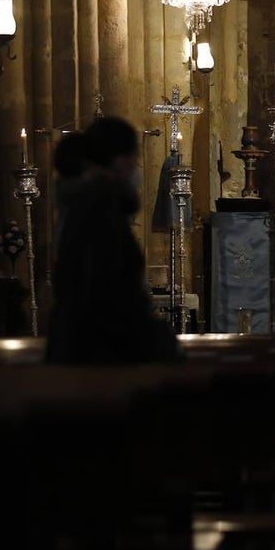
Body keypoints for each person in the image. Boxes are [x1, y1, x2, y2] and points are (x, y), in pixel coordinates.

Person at [46, 116, 183, 364]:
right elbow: (107, 296)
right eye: (135, 160)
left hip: (79, 349)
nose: (136, 169)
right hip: (100, 358)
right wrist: (158, 341)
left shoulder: (85, 205)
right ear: (121, 161)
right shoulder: (98, 211)